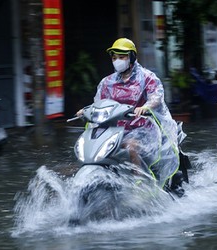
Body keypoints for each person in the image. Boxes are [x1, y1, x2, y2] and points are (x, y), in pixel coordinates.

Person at [76, 38, 179, 187]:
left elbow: (156, 95)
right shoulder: (107, 82)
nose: (117, 60)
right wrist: (86, 110)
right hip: (114, 130)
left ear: (131, 57)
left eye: (122, 57)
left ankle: (140, 183)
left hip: (142, 129)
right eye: (114, 57)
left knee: (131, 145)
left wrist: (146, 106)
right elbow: (99, 103)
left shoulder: (147, 77)